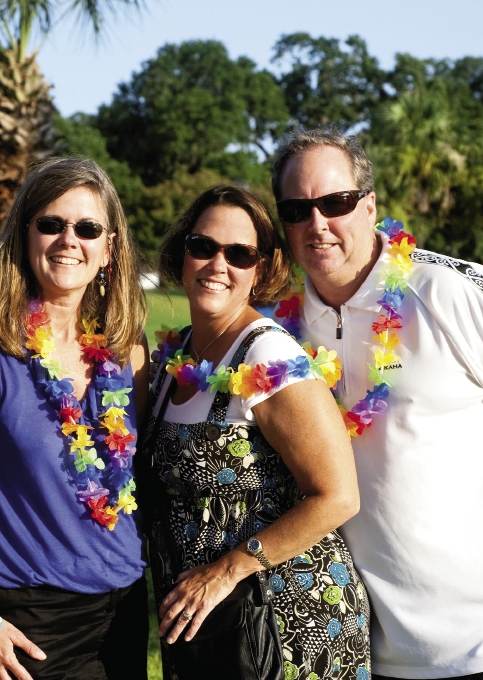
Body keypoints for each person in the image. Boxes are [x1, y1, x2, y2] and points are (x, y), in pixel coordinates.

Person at [269, 126, 483, 680]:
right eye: (297, 209)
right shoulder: (284, 329)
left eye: (336, 202)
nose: (317, 224)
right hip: (373, 647)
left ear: (369, 207)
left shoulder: (450, 289)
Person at [146, 185, 370, 680]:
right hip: (207, 628)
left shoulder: (269, 356)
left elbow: (338, 497)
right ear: (182, 251)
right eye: (202, 246)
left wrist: (229, 570)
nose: (216, 264)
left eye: (239, 254)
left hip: (288, 628)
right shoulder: (174, 359)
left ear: (262, 269)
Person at [0, 156, 151, 680]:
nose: (68, 240)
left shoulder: (128, 351)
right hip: (31, 613)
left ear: (109, 249)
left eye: (87, 228)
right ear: (25, 233)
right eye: (51, 224)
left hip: (125, 601)